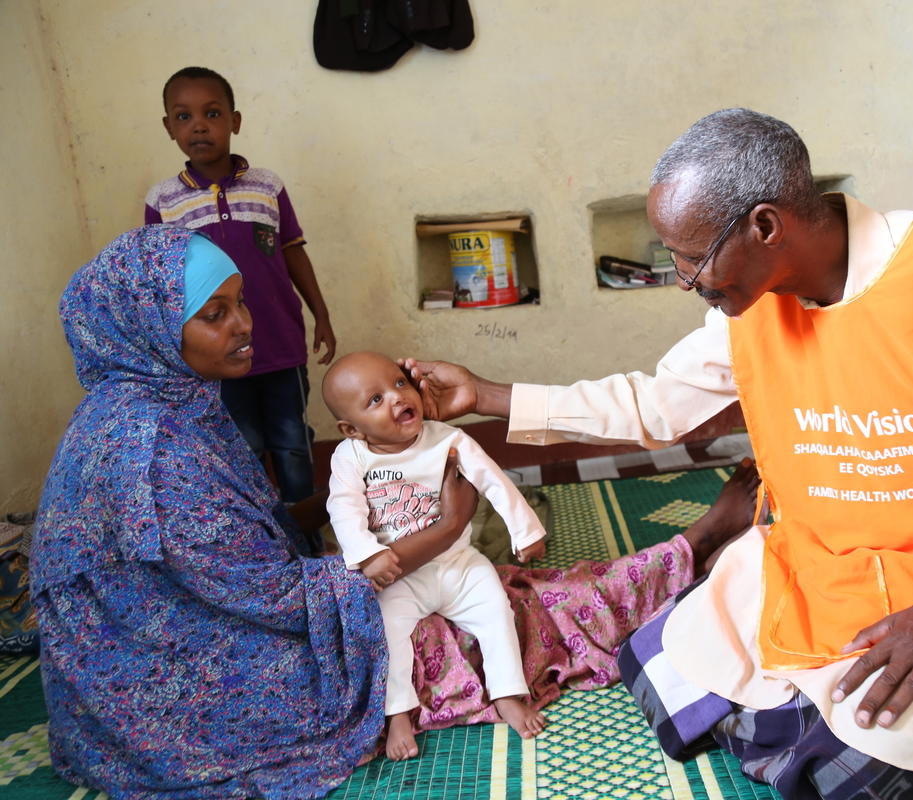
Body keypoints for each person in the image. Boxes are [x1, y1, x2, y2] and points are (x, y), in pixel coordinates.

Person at [406, 108, 913, 799]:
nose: (683, 280)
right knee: (653, 673)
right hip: (819, 564)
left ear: (765, 225)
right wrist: (488, 395)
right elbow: (656, 404)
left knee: (852, 776)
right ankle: (813, 707)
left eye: (692, 258)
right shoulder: (753, 303)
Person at [30, 224, 758, 799]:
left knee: (492, 589)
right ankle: (698, 542)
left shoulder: (147, 406)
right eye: (214, 315)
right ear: (150, 328)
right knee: (514, 621)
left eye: (240, 301)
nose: (244, 326)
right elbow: (281, 599)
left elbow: (238, 561)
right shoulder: (161, 454)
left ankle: (692, 546)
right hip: (202, 691)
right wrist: (441, 528)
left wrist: (378, 507)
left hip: (135, 677)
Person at [323, 351, 548, 759]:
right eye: (375, 400)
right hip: (401, 578)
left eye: (399, 384)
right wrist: (365, 553)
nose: (395, 398)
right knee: (386, 632)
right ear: (350, 428)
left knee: (496, 606)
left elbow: (494, 481)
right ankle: (399, 715)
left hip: (457, 564)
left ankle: (508, 693)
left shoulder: (447, 439)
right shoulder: (350, 457)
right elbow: (343, 507)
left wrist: (525, 530)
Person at [145, 66, 336, 510]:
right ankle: (261, 540)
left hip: (280, 343)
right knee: (240, 445)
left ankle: (306, 542)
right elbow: (161, 282)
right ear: (169, 127)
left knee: (292, 441)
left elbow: (292, 251)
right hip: (215, 353)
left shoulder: (267, 186)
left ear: (235, 121)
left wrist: (321, 314)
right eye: (183, 116)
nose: (198, 125)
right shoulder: (163, 201)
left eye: (212, 113)